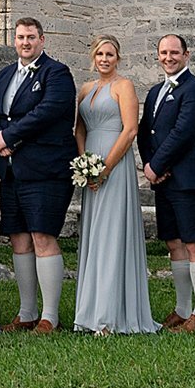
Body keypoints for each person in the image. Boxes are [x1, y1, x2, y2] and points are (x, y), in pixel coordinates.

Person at [0, 16, 76, 332]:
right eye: (20, 37)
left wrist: (10, 137)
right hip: (11, 169)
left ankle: (50, 316)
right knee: (19, 238)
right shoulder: (4, 75)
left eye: (31, 37)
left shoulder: (57, 73)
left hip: (46, 168)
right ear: (14, 40)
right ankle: (26, 313)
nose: (25, 42)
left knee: (42, 236)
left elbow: (48, 111)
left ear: (42, 40)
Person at [70, 36, 157, 333]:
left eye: (109, 54)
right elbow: (79, 129)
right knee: (95, 234)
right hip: (91, 164)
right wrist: (85, 164)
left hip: (114, 165)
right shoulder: (86, 89)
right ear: (93, 57)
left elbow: (130, 130)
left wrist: (105, 169)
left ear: (118, 58)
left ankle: (109, 316)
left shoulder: (124, 86)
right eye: (100, 54)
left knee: (111, 234)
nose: (104, 59)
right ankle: (90, 312)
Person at [139, 33, 195, 332]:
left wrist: (156, 166)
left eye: (174, 52)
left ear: (186, 55)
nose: (168, 57)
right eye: (163, 53)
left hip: (188, 179)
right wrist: (150, 165)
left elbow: (183, 132)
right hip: (163, 181)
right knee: (174, 244)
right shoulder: (155, 92)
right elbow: (145, 132)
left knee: (194, 243)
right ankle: (182, 309)